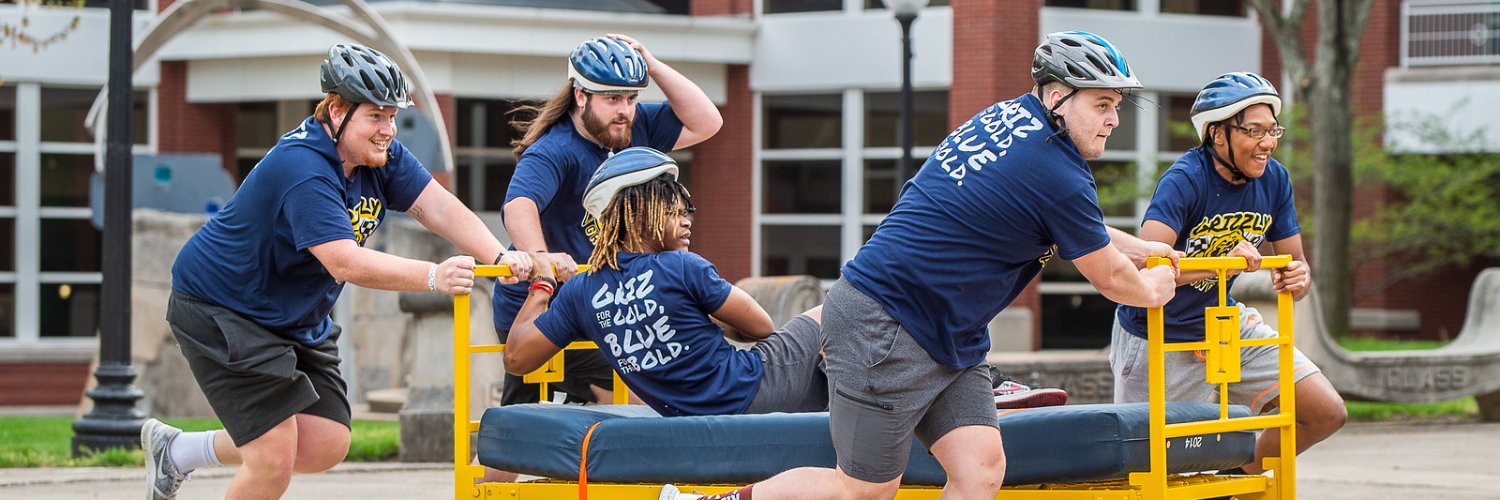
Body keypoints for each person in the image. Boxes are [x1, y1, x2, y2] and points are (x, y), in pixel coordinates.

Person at [660, 31, 1181, 500]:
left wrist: (1147, 251)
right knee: (863, 489)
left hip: (947, 334)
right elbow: (1112, 279)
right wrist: (1159, 284)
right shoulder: (1057, 169)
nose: (1114, 120)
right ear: (1056, 97)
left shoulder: (1009, 120)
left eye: (1117, 106)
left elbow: (1075, 228)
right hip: (886, 326)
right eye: (1102, 104)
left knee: (980, 469)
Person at [141, 43, 535, 500]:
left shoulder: (380, 156)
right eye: (376, 116)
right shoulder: (304, 167)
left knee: (326, 442)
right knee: (272, 461)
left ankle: (178, 451)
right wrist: (433, 276)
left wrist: (497, 256)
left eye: (392, 116)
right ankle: (209, 456)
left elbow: (440, 208)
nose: (388, 129)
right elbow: (344, 261)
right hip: (224, 308)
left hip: (291, 315)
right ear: (336, 110)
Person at [1109, 72, 1346, 475]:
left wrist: (1299, 278)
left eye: (1272, 131)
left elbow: (1298, 267)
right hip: (1158, 332)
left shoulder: (1275, 179)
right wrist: (1220, 259)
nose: (1267, 143)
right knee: (1152, 470)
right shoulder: (1185, 179)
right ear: (1218, 134)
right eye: (1254, 131)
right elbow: (1145, 267)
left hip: (1224, 324)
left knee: (1325, 411)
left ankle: (1234, 479)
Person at [504, 147, 828, 417]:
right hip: (754, 388)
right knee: (833, 310)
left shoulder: (581, 290)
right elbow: (761, 327)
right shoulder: (682, 267)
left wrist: (543, 282)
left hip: (693, 414)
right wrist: (707, 315)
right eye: (675, 212)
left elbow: (516, 358)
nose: (687, 222)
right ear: (640, 213)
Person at [492, 34, 722, 408]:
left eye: (631, 98)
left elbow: (707, 122)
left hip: (595, 301)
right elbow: (518, 206)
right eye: (613, 99)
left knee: (524, 424)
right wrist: (541, 260)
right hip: (542, 307)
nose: (624, 110)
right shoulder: (555, 149)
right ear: (580, 96)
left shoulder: (634, 128)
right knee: (637, 399)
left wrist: (652, 64)